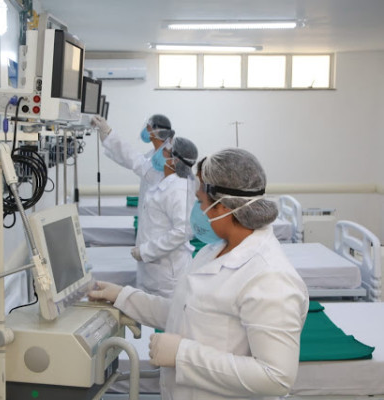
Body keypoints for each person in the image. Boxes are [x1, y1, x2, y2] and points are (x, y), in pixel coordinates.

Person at [88, 148, 309, 400]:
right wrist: (123, 297)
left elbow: (276, 377)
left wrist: (182, 354)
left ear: (223, 207)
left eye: (200, 202)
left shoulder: (269, 278)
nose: (197, 210)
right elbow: (186, 312)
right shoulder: (214, 249)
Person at [91, 114, 175, 256]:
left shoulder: (165, 158)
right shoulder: (153, 154)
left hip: (159, 238)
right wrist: (106, 137)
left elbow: (134, 160)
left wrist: (109, 133)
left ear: (154, 131)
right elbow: (132, 160)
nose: (145, 130)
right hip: (149, 231)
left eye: (148, 127)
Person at [131, 137, 198, 297]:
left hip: (167, 275)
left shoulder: (179, 189)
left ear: (174, 160)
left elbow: (183, 231)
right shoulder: (164, 181)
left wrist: (146, 251)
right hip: (153, 270)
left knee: (162, 311)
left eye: (165, 150)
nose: (160, 152)